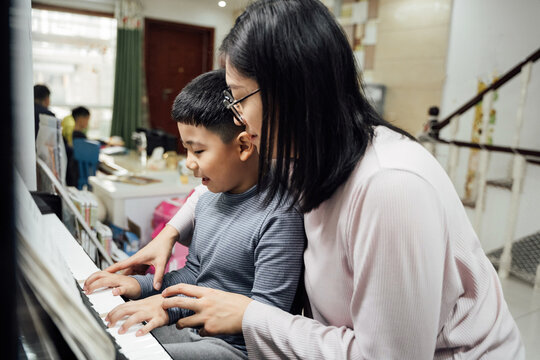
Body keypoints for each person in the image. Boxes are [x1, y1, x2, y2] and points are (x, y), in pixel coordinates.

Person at [104, 0, 525, 358]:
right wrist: (170, 233)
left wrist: (250, 315)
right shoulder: (299, 150)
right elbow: (211, 191)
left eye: (238, 97)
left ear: (289, 94)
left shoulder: (391, 188)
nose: (236, 117)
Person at [83, 69, 306, 360]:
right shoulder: (208, 201)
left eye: (198, 151)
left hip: (238, 349)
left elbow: (264, 319)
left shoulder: (279, 218)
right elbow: (195, 274)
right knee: (110, 331)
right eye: (186, 149)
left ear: (242, 145)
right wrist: (139, 286)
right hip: (193, 328)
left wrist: (167, 306)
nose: (189, 163)